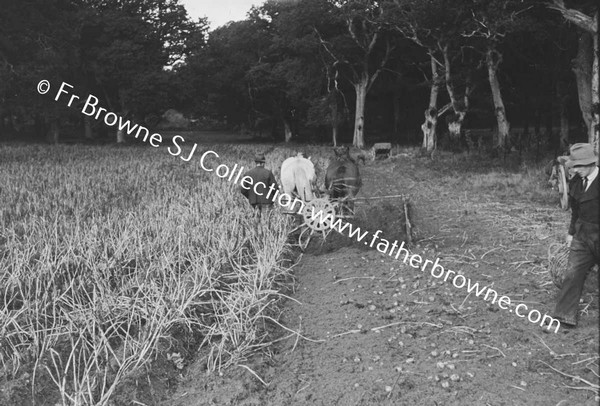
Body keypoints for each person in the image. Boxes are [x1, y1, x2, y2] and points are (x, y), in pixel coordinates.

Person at [553, 143, 599, 328]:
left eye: (579, 166)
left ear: (591, 163)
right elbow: (575, 211)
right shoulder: (576, 182)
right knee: (572, 273)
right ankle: (564, 316)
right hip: (583, 235)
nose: (576, 170)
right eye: (574, 166)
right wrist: (571, 233)